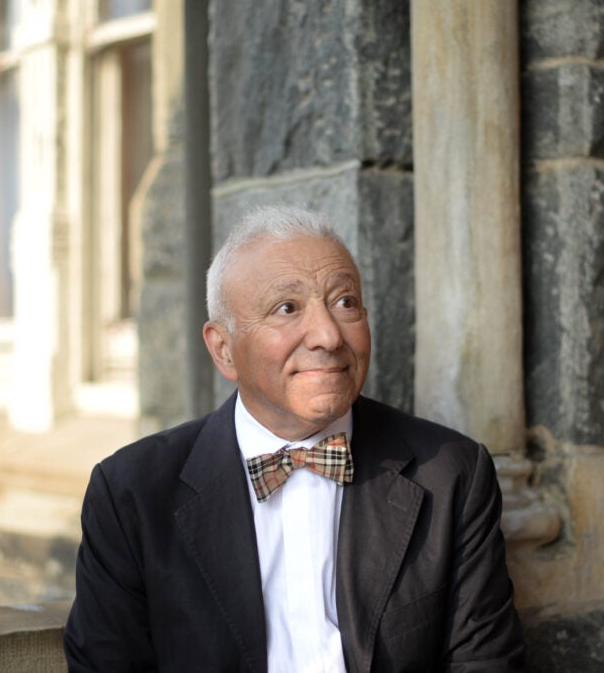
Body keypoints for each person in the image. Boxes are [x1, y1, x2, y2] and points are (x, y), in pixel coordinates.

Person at [64, 204, 525, 671]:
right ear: (224, 350)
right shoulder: (132, 492)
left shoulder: (450, 474)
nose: (327, 335)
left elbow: (485, 662)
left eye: (345, 302)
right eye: (287, 308)